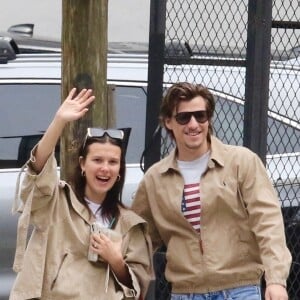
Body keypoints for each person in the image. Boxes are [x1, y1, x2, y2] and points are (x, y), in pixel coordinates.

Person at [132, 82, 291, 300]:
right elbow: (139, 240)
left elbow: (268, 223)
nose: (193, 124)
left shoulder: (240, 162)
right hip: (185, 292)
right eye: (184, 118)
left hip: (239, 289)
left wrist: (276, 280)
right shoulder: (155, 178)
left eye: (201, 116)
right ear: (168, 122)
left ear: (209, 119)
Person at [10, 88, 153, 300]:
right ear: (82, 165)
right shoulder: (56, 202)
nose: (105, 168)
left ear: (120, 171)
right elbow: (37, 172)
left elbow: (139, 290)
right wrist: (59, 121)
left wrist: (116, 260)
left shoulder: (131, 225)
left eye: (113, 162)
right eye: (97, 160)